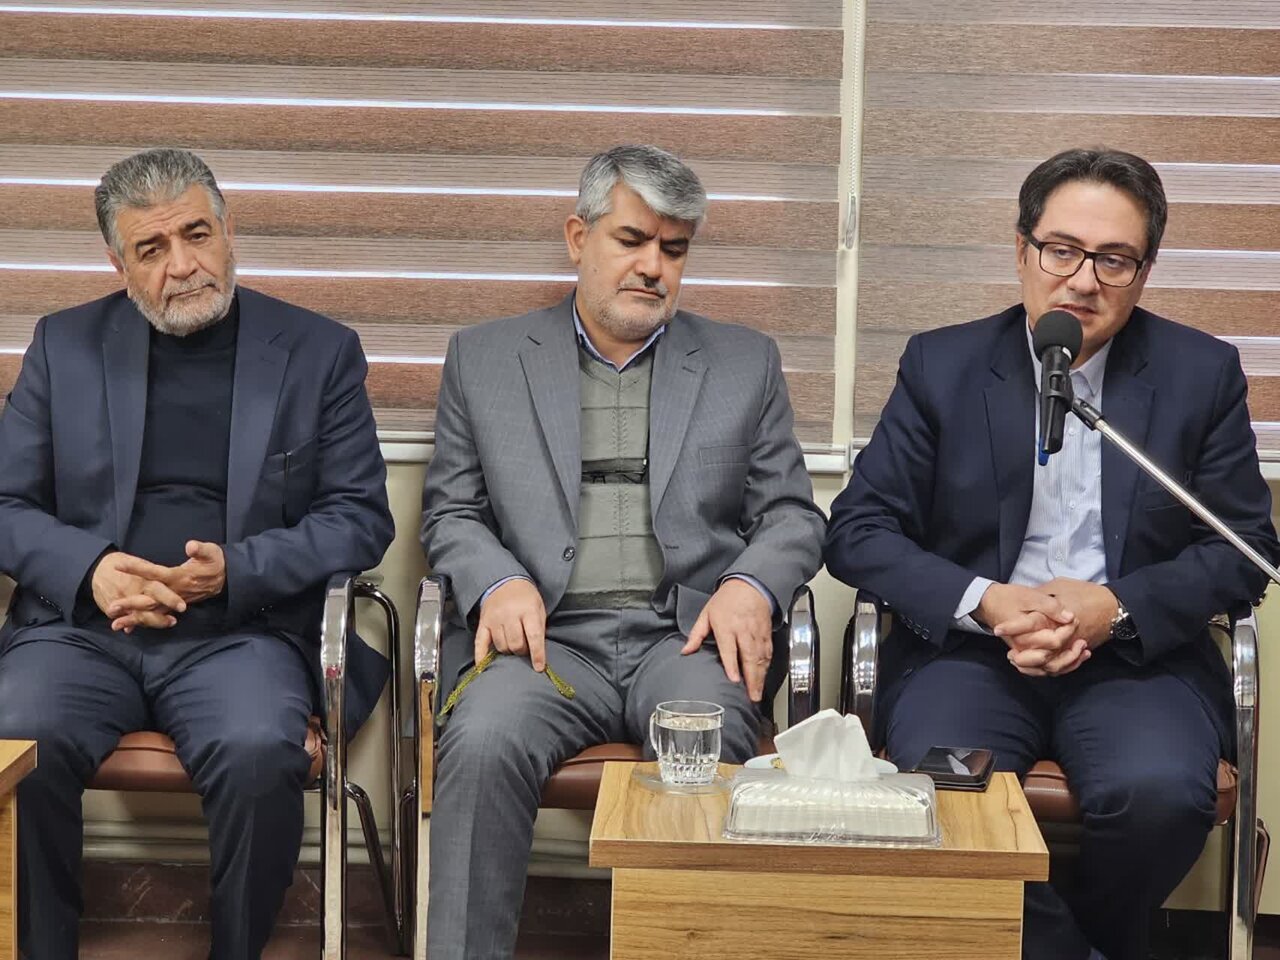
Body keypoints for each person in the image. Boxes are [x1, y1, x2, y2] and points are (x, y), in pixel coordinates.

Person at [825, 146, 1280, 960]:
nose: (1082, 280)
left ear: (1144, 272)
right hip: (970, 658)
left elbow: (1245, 551)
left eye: (1114, 259)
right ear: (1022, 250)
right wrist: (985, 599)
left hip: (1135, 663)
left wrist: (1119, 607)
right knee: (942, 791)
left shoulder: (1200, 373)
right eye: (1062, 250)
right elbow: (858, 529)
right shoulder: (943, 365)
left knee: (1159, 795)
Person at [421, 143, 825, 959]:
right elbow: (451, 512)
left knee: (709, 736)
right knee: (481, 742)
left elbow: (792, 515)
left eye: (674, 250)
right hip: (545, 647)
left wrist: (750, 584)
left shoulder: (743, 362)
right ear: (578, 238)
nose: (653, 267)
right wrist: (495, 580)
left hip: (682, 641)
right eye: (633, 240)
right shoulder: (484, 358)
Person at [0, 148, 395, 960]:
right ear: (118, 262)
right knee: (17, 733)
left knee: (258, 751)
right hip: (82, 632)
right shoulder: (63, 345)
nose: (182, 265)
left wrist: (236, 571)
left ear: (228, 231)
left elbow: (360, 518)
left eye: (196, 235)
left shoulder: (318, 352)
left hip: (238, 632)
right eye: (151, 249)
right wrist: (92, 570)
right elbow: (6, 503)